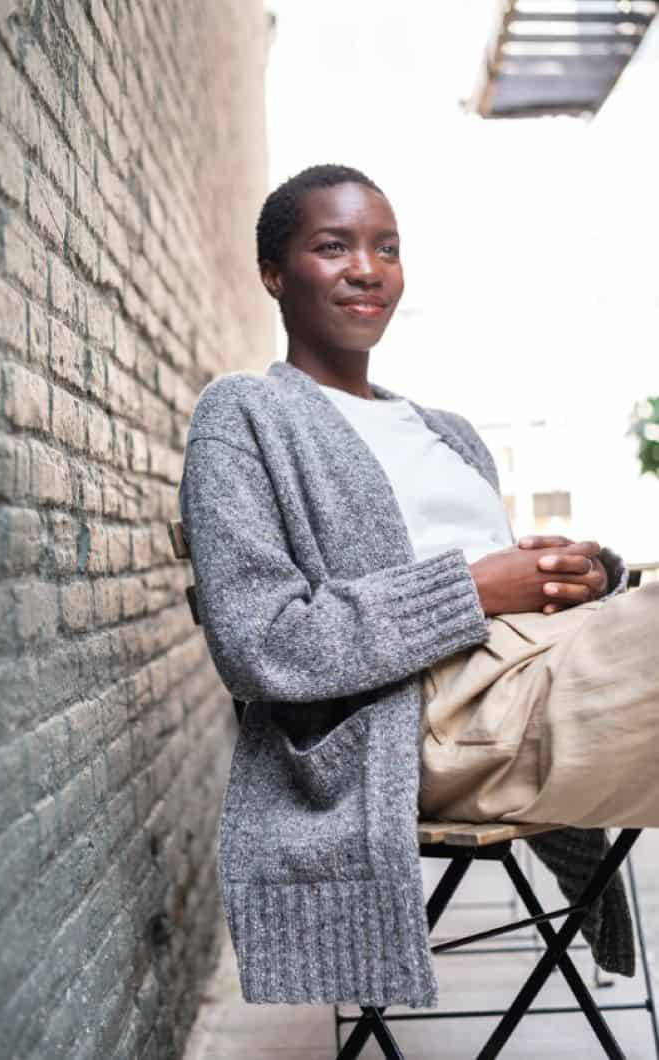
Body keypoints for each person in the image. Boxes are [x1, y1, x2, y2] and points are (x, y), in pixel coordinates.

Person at [178, 164, 656, 1008]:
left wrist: (577, 572)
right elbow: (262, 645)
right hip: (414, 719)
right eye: (334, 246)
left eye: (387, 248)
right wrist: (471, 589)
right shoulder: (245, 416)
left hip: (540, 672)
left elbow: (499, 577)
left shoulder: (450, 433)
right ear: (274, 274)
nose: (369, 268)